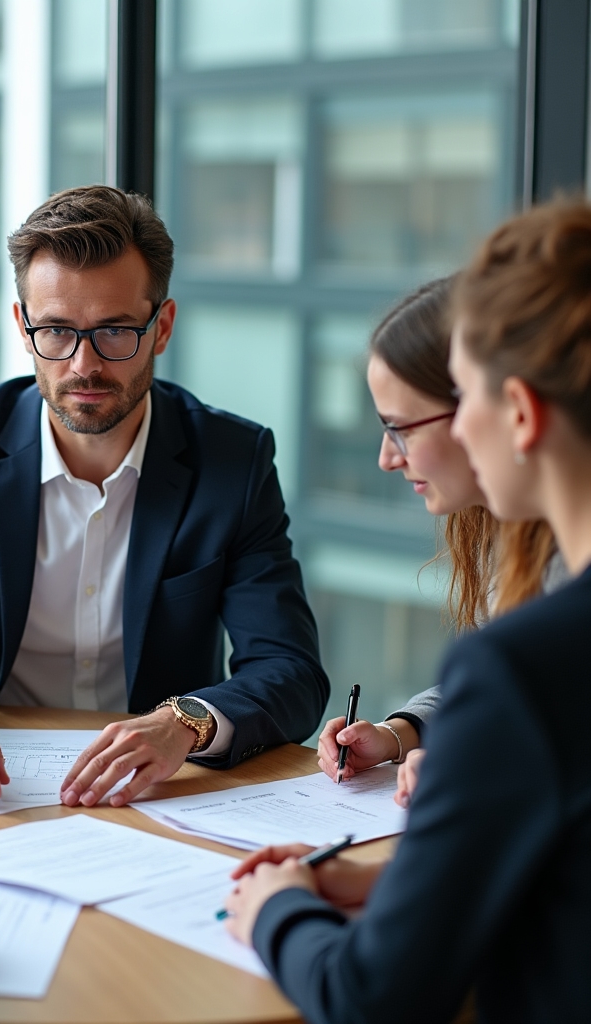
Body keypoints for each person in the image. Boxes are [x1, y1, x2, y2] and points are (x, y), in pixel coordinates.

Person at [0, 185, 329, 808]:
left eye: (114, 332)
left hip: (156, 793)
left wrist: (184, 722)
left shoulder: (232, 463)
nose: (83, 365)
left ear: (160, 328)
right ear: (23, 329)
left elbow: (290, 671)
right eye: (55, 330)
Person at [222, 199, 591, 1023]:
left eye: (466, 399)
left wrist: (278, 909)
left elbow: (372, 999)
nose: (392, 456)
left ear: (521, 413)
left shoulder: (526, 663)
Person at [314, 277, 565, 800]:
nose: (387, 457)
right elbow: (495, 690)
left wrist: (480, 763)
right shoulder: (496, 526)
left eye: (401, 428)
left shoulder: (570, 568)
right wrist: (398, 734)